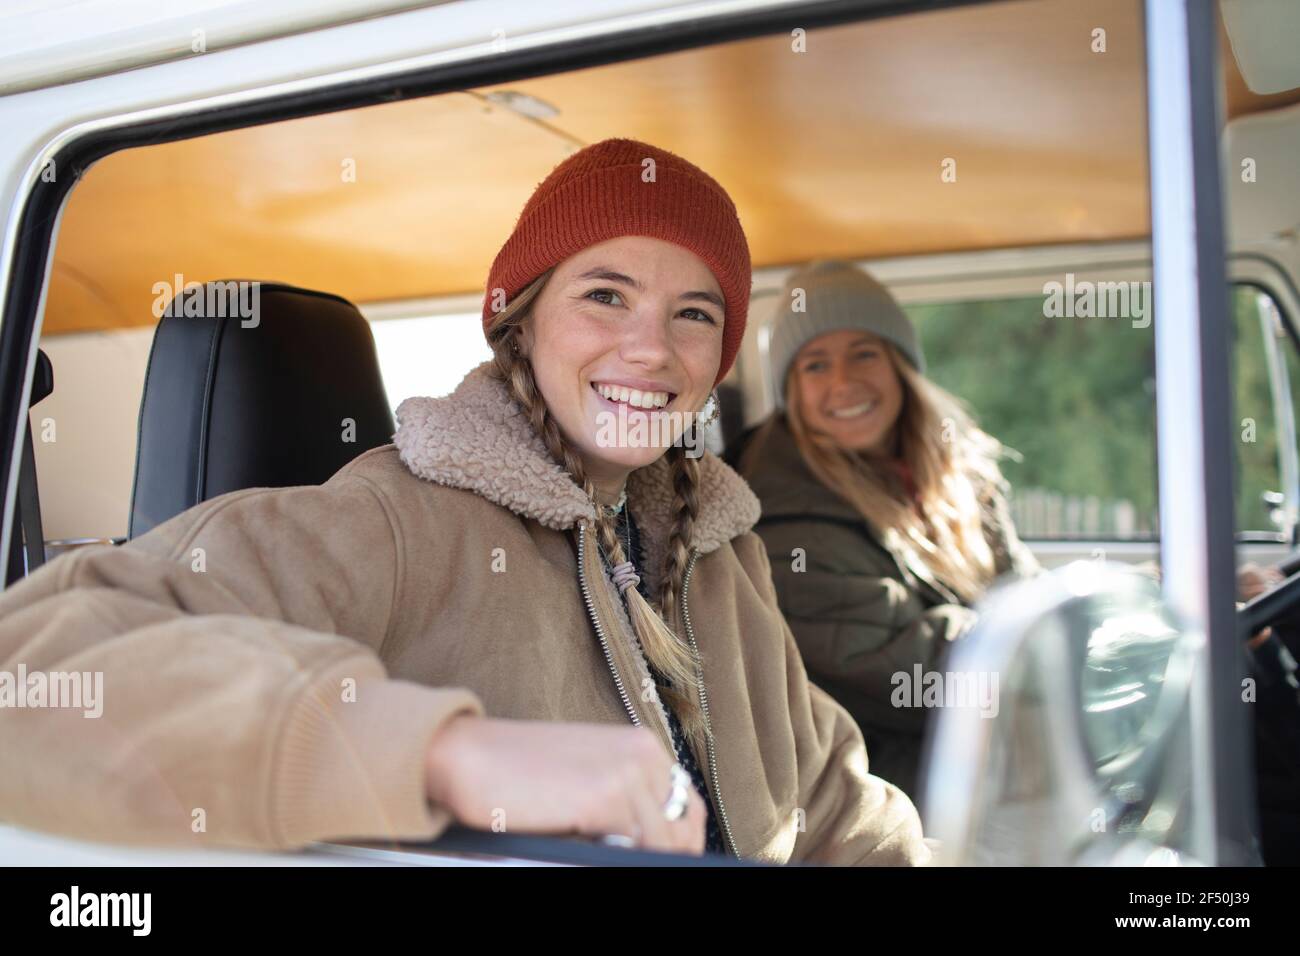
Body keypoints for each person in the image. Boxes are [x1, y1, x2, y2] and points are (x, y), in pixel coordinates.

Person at [0, 141, 928, 865]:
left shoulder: (723, 552)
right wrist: (445, 756)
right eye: (606, 295)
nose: (652, 349)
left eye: (694, 313)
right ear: (519, 321)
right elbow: (31, 675)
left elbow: (838, 805)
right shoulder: (397, 519)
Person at [732, 260, 1039, 799]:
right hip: (888, 777)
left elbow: (1022, 588)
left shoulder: (955, 467)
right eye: (815, 365)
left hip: (979, 734)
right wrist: (1047, 640)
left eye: (864, 353)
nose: (844, 382)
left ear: (900, 364)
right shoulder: (781, 522)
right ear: (792, 391)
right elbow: (911, 679)